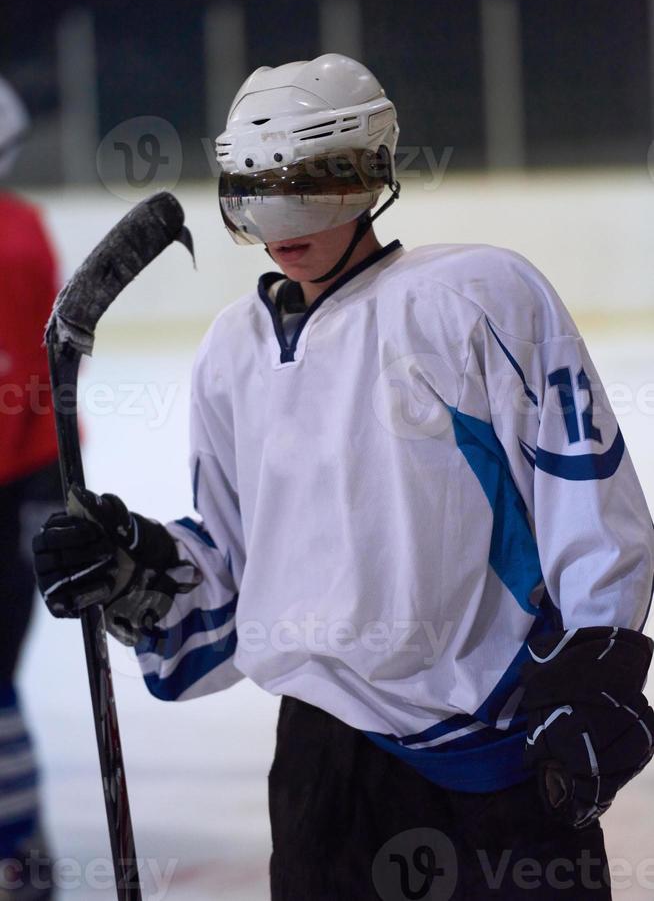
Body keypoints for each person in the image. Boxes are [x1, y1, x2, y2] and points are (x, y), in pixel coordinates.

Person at [33, 55, 654, 899]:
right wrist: (137, 567)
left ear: (369, 174)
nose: (278, 219)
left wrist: (597, 674)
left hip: (496, 760)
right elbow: (239, 574)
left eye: (304, 186)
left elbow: (587, 497)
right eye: (253, 193)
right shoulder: (232, 351)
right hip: (319, 770)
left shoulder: (479, 300)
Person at [0, 77, 59, 900]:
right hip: (31, 482)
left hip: (16, 487)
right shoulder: (23, 227)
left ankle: (22, 855)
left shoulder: (12, 240)